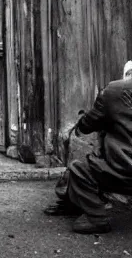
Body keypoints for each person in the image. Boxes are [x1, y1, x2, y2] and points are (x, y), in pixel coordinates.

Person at [44, 61, 132, 234]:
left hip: (123, 172)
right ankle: (73, 204)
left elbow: (87, 125)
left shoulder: (114, 90)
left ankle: (96, 217)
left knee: (79, 169)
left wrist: (81, 124)